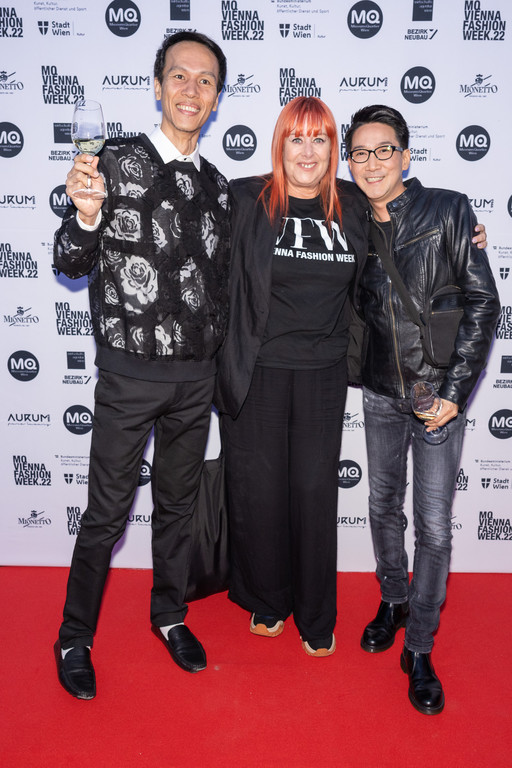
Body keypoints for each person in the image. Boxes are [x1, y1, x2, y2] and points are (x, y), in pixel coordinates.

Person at [215, 96, 488, 661]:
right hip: (257, 372)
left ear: (333, 149)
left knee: (315, 495)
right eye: (296, 138)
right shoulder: (244, 199)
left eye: (320, 139)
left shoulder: (354, 206)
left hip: (325, 372)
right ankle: (269, 599)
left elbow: (410, 223)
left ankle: (317, 615)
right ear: (280, 144)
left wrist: (467, 233)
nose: (307, 151)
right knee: (260, 494)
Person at [53, 31, 230, 699]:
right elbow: (69, 260)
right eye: (179, 76)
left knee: (177, 508)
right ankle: (74, 636)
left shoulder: (217, 187)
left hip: (196, 379)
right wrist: (85, 216)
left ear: (216, 98)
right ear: (157, 87)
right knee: (106, 513)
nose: (191, 89)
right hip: (129, 375)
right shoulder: (110, 160)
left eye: (205, 80)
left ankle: (169, 615)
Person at [345, 105, 500, 714]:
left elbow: (484, 304)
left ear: (405, 156)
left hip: (436, 396)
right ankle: (393, 599)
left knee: (433, 528)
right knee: (382, 506)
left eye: (384, 150)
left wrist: (455, 393)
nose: (372, 163)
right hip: (380, 392)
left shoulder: (449, 210)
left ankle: (421, 647)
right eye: (360, 153)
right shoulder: (349, 220)